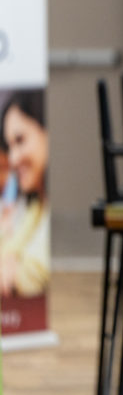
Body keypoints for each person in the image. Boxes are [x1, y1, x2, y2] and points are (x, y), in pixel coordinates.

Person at [0, 91, 50, 297]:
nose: (13, 159)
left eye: (20, 140)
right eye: (10, 146)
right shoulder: (36, 203)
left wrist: (13, 268)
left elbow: (33, 273)